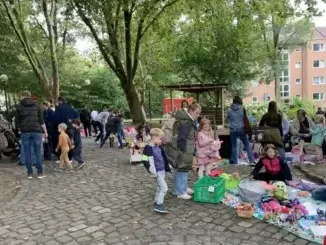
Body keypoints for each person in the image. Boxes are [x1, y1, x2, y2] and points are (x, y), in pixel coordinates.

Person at [164, 103, 201, 200]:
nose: (198, 115)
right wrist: (183, 151)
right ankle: (179, 191)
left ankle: (183, 187)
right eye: (197, 113)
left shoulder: (186, 120)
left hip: (184, 149)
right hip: (183, 150)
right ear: (191, 111)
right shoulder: (186, 122)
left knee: (182, 169)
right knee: (182, 170)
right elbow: (182, 138)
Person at [15, 91, 48, 179]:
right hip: (37, 131)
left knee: (27, 152)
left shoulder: (19, 106)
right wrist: (45, 132)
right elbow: (41, 121)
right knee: (37, 152)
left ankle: (29, 173)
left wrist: (19, 129)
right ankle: (40, 173)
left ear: (22, 96)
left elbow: (17, 121)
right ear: (30, 97)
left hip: (25, 131)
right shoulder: (37, 106)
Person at [143, 128, 171, 213]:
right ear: (154, 137)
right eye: (160, 139)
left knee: (159, 188)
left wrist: (167, 166)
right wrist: (152, 171)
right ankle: (159, 205)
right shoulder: (148, 148)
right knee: (164, 188)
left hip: (162, 170)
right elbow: (146, 160)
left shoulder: (158, 146)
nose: (161, 141)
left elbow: (163, 157)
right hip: (157, 172)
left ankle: (156, 201)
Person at [227, 96, 255, 165]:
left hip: (232, 130)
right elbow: (245, 119)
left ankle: (235, 162)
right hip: (241, 129)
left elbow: (227, 119)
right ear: (240, 101)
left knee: (234, 146)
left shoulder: (229, 110)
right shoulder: (242, 109)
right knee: (247, 144)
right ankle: (251, 160)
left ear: (233, 101)